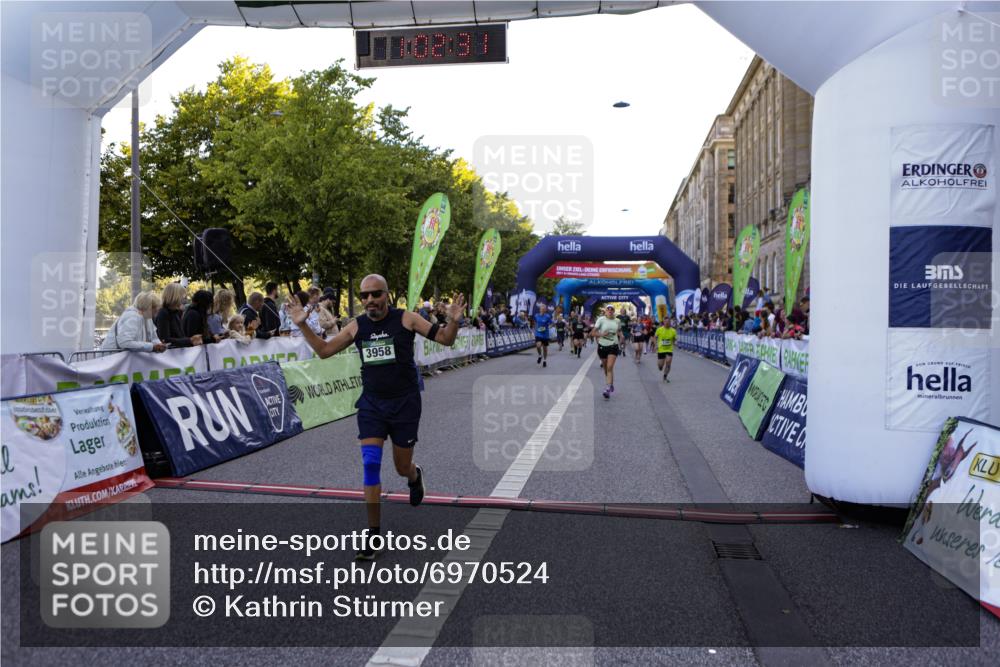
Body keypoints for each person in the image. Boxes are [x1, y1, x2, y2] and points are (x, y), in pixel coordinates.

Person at [287, 274, 466, 561]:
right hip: (372, 404)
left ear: (386, 296)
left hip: (405, 403)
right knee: (370, 464)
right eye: (364, 296)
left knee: (400, 466)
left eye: (376, 294)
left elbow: (445, 339)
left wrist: (454, 321)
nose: (370, 300)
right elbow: (323, 351)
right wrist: (302, 325)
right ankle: (373, 535)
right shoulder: (357, 325)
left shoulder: (407, 319)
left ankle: (414, 476)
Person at [102, 291, 167, 352]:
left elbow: (153, 337)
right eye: (155, 310)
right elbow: (124, 342)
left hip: (118, 359)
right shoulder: (132, 316)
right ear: (149, 307)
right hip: (111, 358)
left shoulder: (147, 317)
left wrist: (159, 345)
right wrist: (152, 346)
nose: (156, 313)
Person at [155, 282, 202, 348]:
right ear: (175, 296)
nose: (184, 299)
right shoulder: (163, 313)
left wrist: (191, 340)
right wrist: (190, 340)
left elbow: (180, 336)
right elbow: (165, 339)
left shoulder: (176, 313)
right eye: (183, 296)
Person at [591, 305, 623, 400]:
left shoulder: (617, 321)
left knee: (609, 367)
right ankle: (610, 384)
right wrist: (601, 334)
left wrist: (621, 336)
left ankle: (607, 388)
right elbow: (592, 333)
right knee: (606, 368)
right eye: (608, 310)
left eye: (611, 310)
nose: (610, 311)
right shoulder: (601, 320)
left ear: (613, 312)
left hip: (613, 345)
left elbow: (619, 331)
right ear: (605, 312)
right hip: (602, 346)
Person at [655, 318, 678, 382]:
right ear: (663, 322)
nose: (667, 323)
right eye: (666, 322)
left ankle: (665, 376)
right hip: (661, 349)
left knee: (668, 362)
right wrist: (655, 345)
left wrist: (675, 342)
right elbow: (655, 337)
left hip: (669, 349)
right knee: (660, 366)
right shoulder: (659, 329)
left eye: (668, 321)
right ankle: (660, 366)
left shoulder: (673, 330)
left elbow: (675, 339)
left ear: (670, 322)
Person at [531, 303, 553, 368]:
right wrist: (534, 330)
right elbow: (535, 323)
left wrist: (549, 327)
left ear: (545, 310)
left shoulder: (547, 316)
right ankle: (540, 355)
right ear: (540, 309)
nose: (543, 310)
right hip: (538, 333)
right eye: (541, 309)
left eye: (544, 309)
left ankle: (544, 360)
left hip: (545, 334)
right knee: (538, 345)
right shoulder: (536, 315)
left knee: (545, 348)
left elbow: (552, 324)